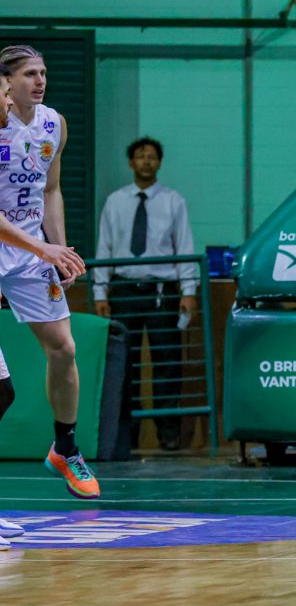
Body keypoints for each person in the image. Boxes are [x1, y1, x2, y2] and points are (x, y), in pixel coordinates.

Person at [0, 45, 99, 501]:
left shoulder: (53, 123)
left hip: (30, 251)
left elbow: (52, 189)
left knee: (64, 347)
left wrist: (58, 248)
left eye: (43, 72)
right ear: (7, 82)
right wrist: (43, 246)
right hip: (17, 242)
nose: (39, 81)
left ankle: (66, 448)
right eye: (29, 74)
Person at [93, 137, 197, 451]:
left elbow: (185, 247)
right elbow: (104, 247)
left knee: (167, 360)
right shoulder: (115, 202)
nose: (146, 161)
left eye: (152, 157)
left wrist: (188, 291)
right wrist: (100, 293)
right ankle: (128, 433)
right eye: (140, 156)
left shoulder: (174, 201)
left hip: (161, 292)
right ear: (131, 163)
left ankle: (168, 432)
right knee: (126, 363)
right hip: (124, 291)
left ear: (159, 162)